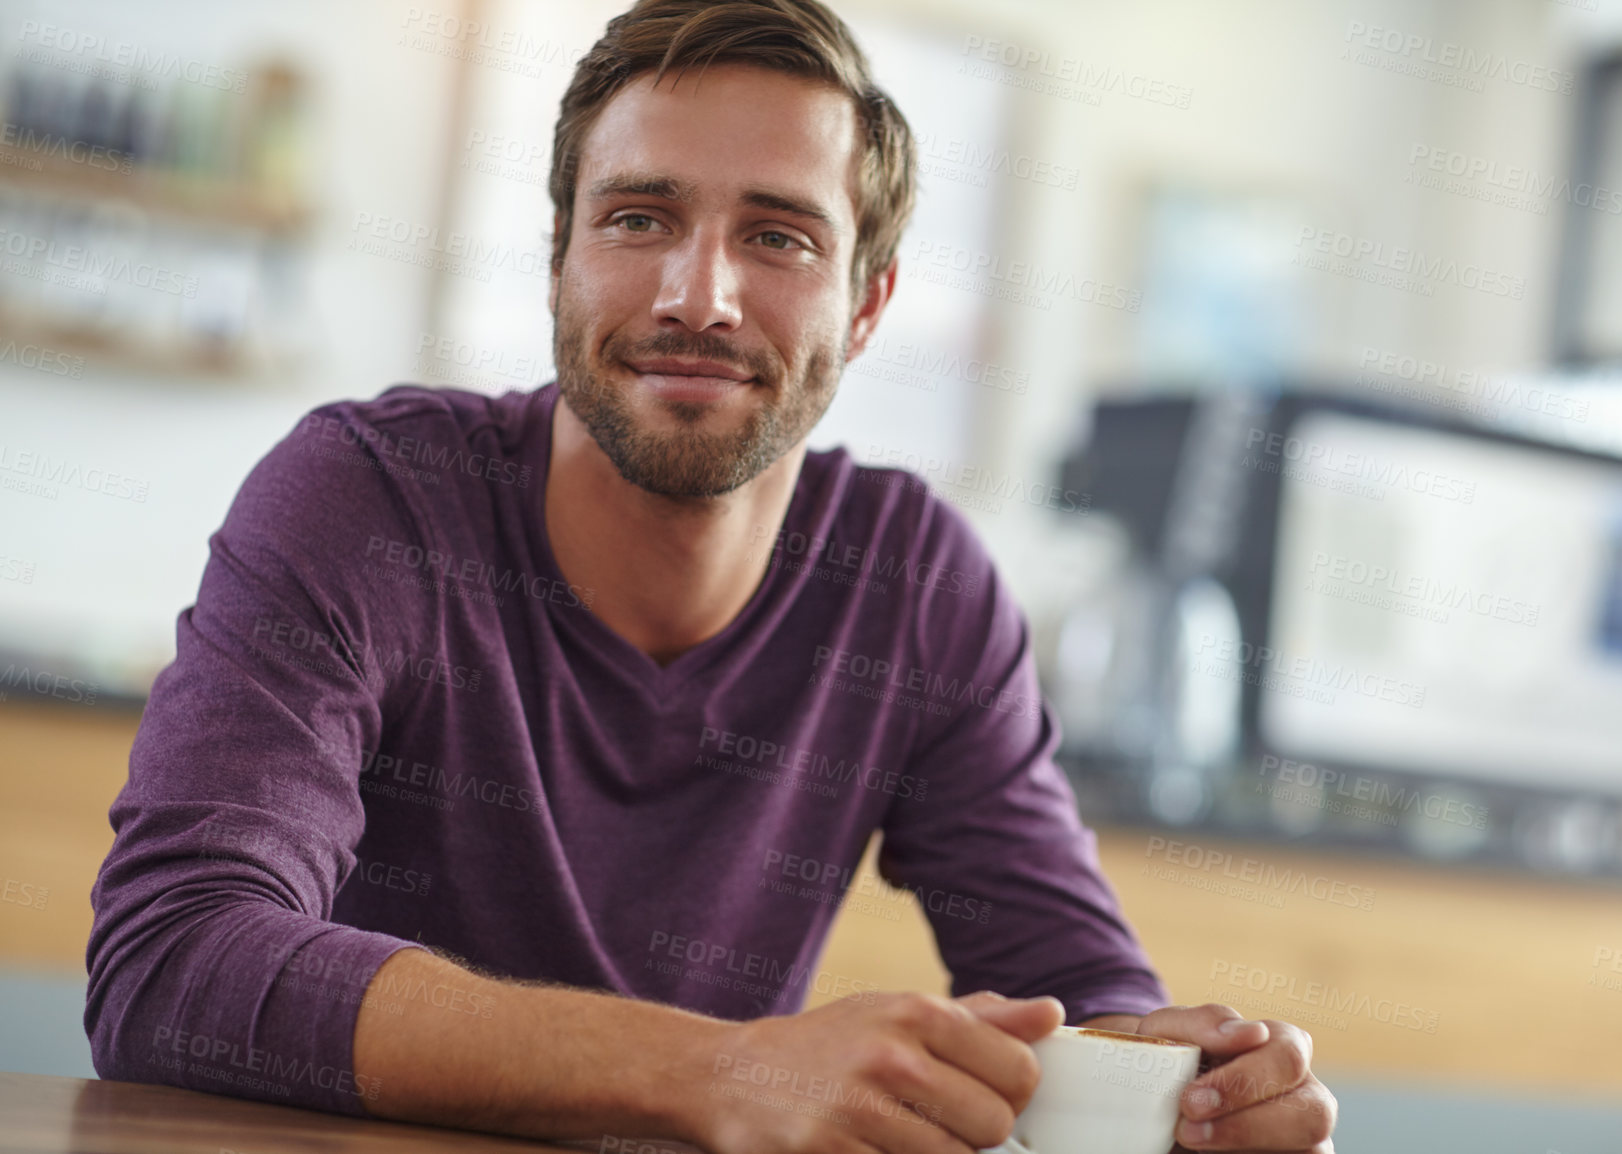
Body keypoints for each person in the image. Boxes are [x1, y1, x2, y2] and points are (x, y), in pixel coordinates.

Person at [86, 1, 1337, 1150]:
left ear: (865, 304)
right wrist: (721, 1068)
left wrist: (1200, 1093)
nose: (701, 297)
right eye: (638, 218)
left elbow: (1083, 987)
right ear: (560, 260)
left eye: (778, 236)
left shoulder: (915, 581)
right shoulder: (363, 496)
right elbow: (173, 958)